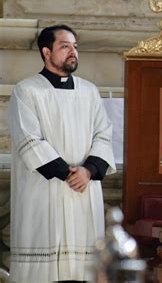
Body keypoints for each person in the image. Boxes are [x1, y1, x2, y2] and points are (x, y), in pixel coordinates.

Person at [7, 24, 116, 282]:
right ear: (46, 52)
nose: (73, 52)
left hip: (84, 190)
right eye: (65, 46)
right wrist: (69, 174)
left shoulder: (89, 92)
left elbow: (104, 134)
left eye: (75, 47)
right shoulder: (26, 91)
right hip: (45, 193)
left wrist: (88, 171)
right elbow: (29, 139)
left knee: (83, 271)